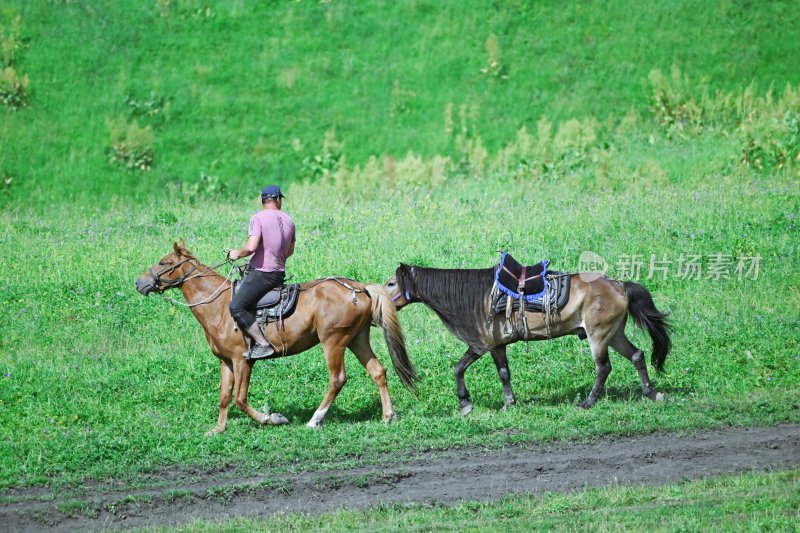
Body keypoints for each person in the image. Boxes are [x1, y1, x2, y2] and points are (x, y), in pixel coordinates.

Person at [228, 185, 296, 359]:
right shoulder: (289, 220)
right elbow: (290, 251)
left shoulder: (257, 218)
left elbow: (251, 247)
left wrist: (237, 253)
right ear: (278, 199)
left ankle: (263, 344)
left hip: (263, 274)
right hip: (279, 273)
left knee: (236, 306)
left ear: (264, 200)